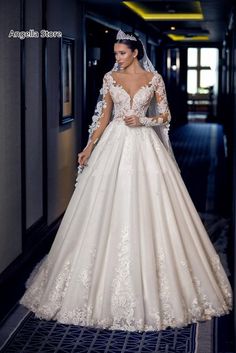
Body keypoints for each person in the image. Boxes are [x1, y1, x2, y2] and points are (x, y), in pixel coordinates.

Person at [20, 29, 232, 332]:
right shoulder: (110, 78)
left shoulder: (154, 79)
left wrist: (143, 120)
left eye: (121, 53)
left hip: (144, 144)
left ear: (135, 52)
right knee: (104, 204)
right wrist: (89, 146)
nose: (116, 57)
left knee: (151, 204)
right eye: (115, 53)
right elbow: (103, 117)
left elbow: (166, 116)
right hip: (114, 144)